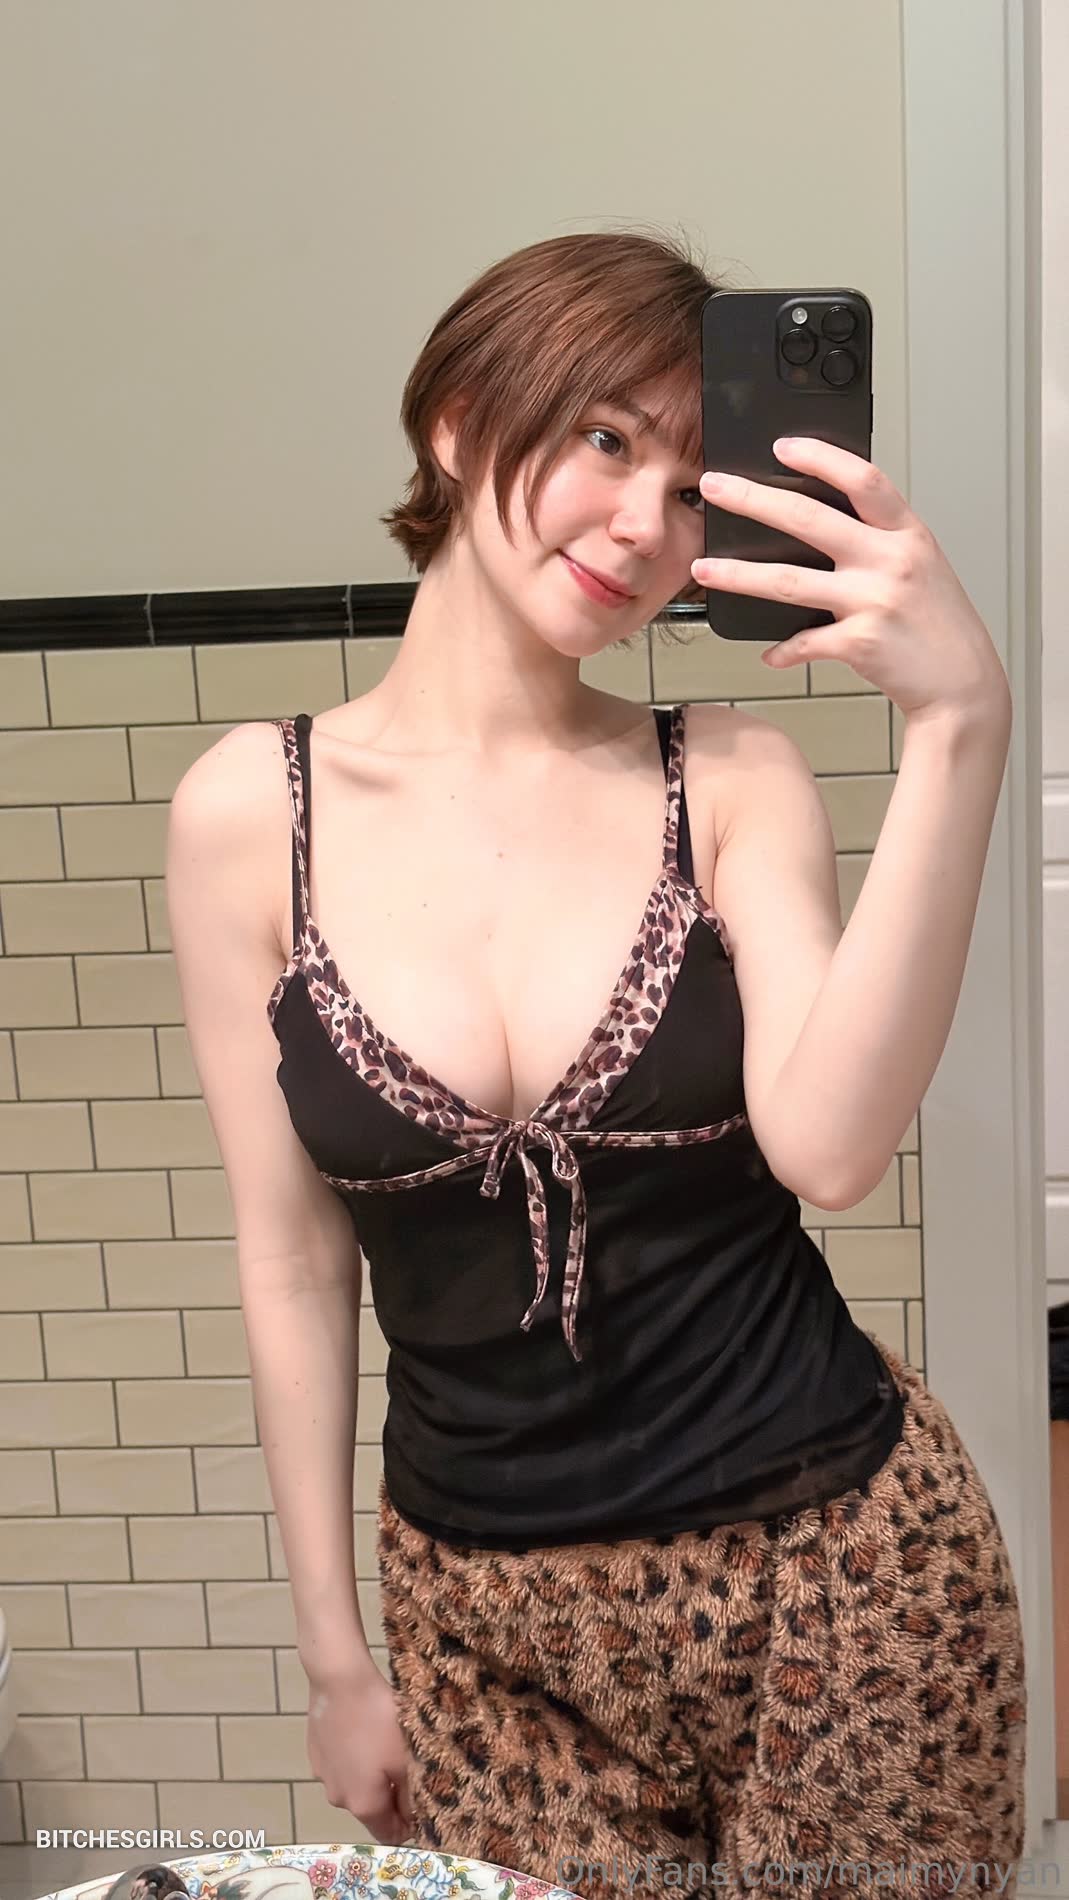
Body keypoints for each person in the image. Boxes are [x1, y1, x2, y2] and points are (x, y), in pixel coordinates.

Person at [165, 228, 1026, 1894]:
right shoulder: (245, 819)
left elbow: (831, 1150)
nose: (645, 526)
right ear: (456, 421)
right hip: (489, 1629)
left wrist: (956, 728)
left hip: (839, 1577)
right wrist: (335, 1657)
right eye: (605, 440)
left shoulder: (733, 778)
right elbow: (291, 1261)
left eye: (694, 487)